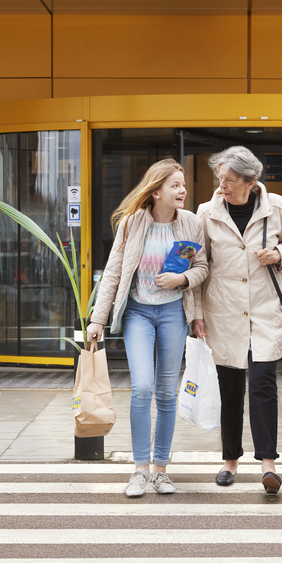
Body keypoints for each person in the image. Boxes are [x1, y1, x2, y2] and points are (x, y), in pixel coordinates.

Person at [87, 160, 207, 498]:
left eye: (183, 185)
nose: (183, 191)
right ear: (156, 192)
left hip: (172, 313)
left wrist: (182, 278)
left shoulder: (190, 223)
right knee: (142, 387)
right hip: (138, 313)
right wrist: (98, 318)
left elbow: (201, 267)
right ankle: (139, 468)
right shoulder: (133, 223)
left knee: (167, 393)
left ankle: (161, 470)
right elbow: (112, 273)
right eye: (175, 186)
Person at [192, 146, 282, 494]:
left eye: (229, 179)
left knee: (263, 385)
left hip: (265, 312)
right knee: (230, 390)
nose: (222, 185)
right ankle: (230, 461)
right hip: (222, 311)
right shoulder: (206, 214)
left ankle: (268, 463)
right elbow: (200, 264)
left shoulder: (279, 208)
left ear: (251, 182)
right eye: (220, 178)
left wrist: (280, 254)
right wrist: (195, 315)